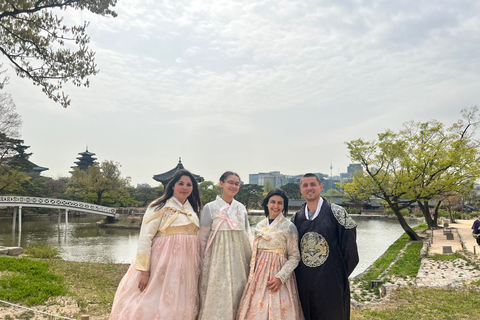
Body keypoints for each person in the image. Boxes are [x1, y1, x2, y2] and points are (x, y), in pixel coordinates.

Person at [109, 169, 202, 320]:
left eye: (189, 184)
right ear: (172, 185)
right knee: (153, 299)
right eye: (181, 183)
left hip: (187, 265)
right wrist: (144, 271)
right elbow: (145, 238)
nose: (185, 187)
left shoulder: (194, 210)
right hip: (162, 263)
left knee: (182, 300)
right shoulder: (158, 206)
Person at [292, 173, 359, 320]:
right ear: (301, 190)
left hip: (331, 283)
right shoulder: (296, 218)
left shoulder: (337, 213)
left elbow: (350, 251)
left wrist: (338, 276)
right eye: (305, 185)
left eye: (313, 184)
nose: (309, 188)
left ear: (321, 187)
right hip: (304, 284)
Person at [237, 188, 304, 320]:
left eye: (280, 203)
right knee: (256, 307)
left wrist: (281, 277)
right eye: (272, 202)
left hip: (278, 273)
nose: (276, 206)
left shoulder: (289, 227)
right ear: (266, 203)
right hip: (259, 274)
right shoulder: (260, 225)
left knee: (278, 307)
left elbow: (295, 257)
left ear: (284, 206)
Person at [198, 171, 252, 320]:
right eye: (230, 182)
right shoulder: (210, 208)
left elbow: (248, 234)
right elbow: (202, 237)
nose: (233, 186)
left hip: (239, 255)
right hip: (217, 255)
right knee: (218, 289)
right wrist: (201, 260)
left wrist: (252, 257)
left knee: (239, 287)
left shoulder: (241, 208)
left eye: (237, 184)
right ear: (221, 183)